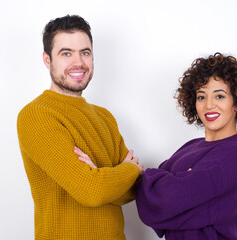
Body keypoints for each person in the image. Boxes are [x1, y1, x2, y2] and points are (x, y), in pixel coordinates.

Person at [17, 15, 144, 240]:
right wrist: (128, 170)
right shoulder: (36, 114)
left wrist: (101, 177)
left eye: (85, 52)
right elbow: (92, 192)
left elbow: (134, 190)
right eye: (66, 53)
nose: (78, 63)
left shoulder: (105, 117)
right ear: (47, 60)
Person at [135, 53, 237, 239]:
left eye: (219, 96)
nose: (209, 105)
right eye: (201, 97)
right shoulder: (191, 147)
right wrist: (172, 183)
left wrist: (160, 180)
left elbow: (166, 200)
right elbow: (155, 205)